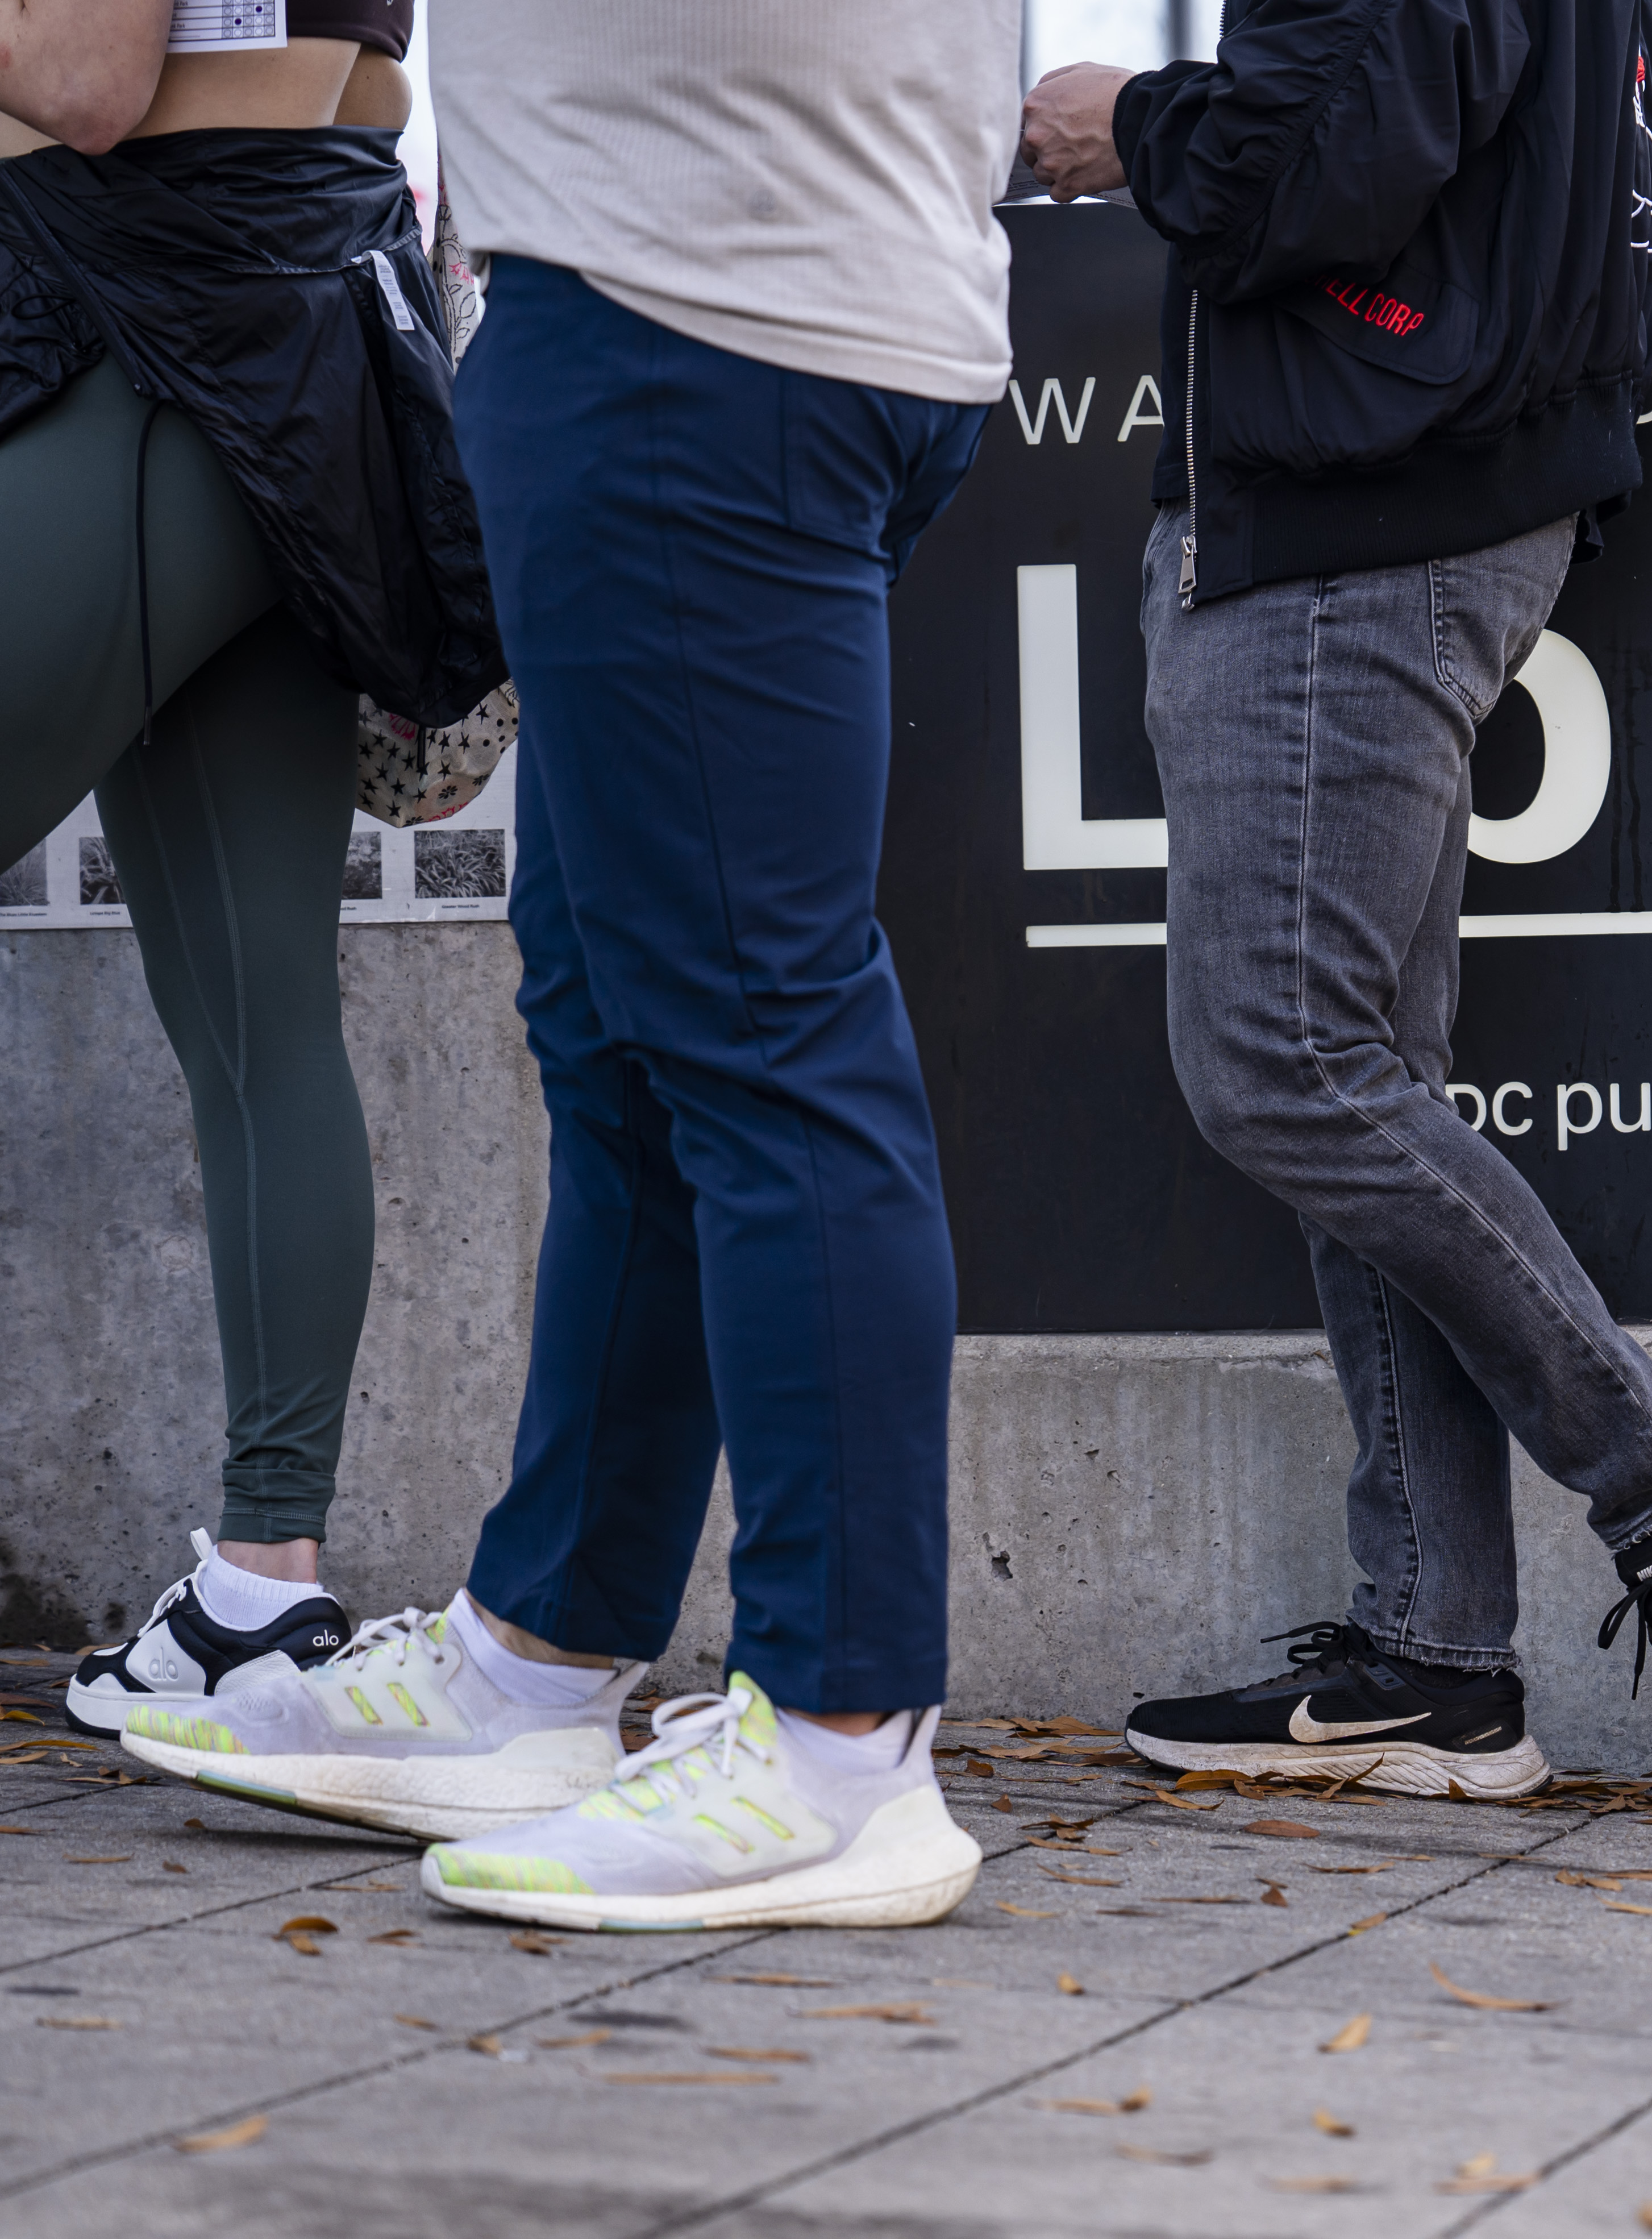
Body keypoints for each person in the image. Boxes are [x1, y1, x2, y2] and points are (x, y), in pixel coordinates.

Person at [116, 1, 1023, 1934]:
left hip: (701, 310)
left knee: (760, 1027)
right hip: (722, 283)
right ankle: (540, 1661)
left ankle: (846, 1743)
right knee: (629, 1033)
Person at [1017, 2, 1652, 1816]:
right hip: (1407, 486)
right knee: (1361, 1075)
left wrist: (1128, 124)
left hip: (1349, 510)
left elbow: (1317, 159)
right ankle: (1439, 1655)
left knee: (1282, 1064)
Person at [2, 3, 494, 1734]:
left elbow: (82, 76)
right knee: (254, 1005)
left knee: (256, 1010)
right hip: (289, 324)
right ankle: (255, 1605)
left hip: (144, 323)